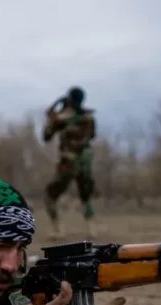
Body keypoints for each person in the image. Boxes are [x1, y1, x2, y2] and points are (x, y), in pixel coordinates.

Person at [42, 86, 98, 239]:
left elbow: (47, 136)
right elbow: (92, 136)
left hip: (69, 161)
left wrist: (50, 118)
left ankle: (58, 230)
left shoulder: (63, 117)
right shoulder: (89, 117)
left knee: (50, 195)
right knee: (86, 195)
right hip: (85, 161)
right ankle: (91, 229)